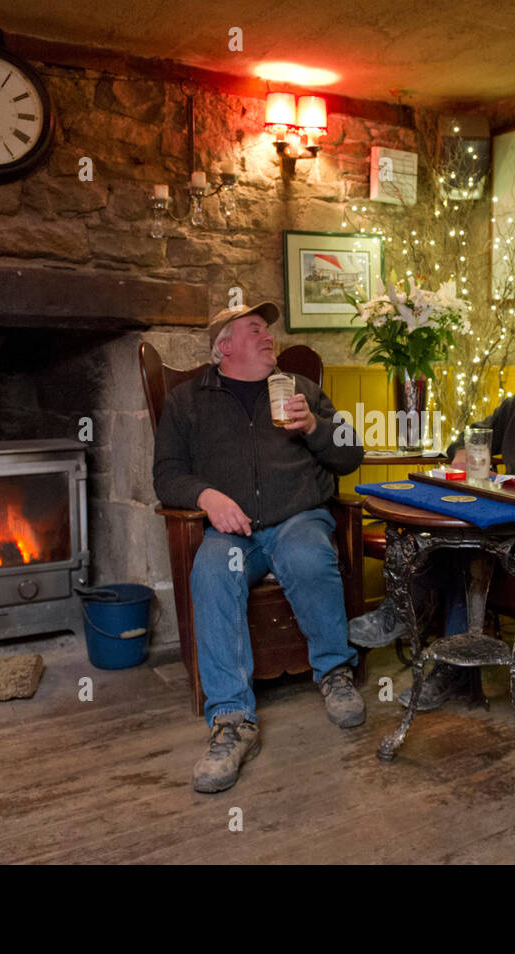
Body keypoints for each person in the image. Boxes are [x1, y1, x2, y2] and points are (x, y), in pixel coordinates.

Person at [349, 318, 515, 745]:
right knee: (451, 547)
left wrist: (502, 483)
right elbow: (474, 434)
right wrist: (461, 452)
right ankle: (440, 652)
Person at [153, 301, 367, 795]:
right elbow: (167, 474)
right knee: (210, 571)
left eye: (267, 328)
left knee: (308, 555)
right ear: (224, 346)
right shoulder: (188, 402)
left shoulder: (302, 391)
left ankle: (334, 673)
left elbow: (351, 454)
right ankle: (231, 721)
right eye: (254, 329)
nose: (268, 335)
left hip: (297, 518)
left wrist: (314, 427)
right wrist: (207, 498)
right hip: (233, 532)